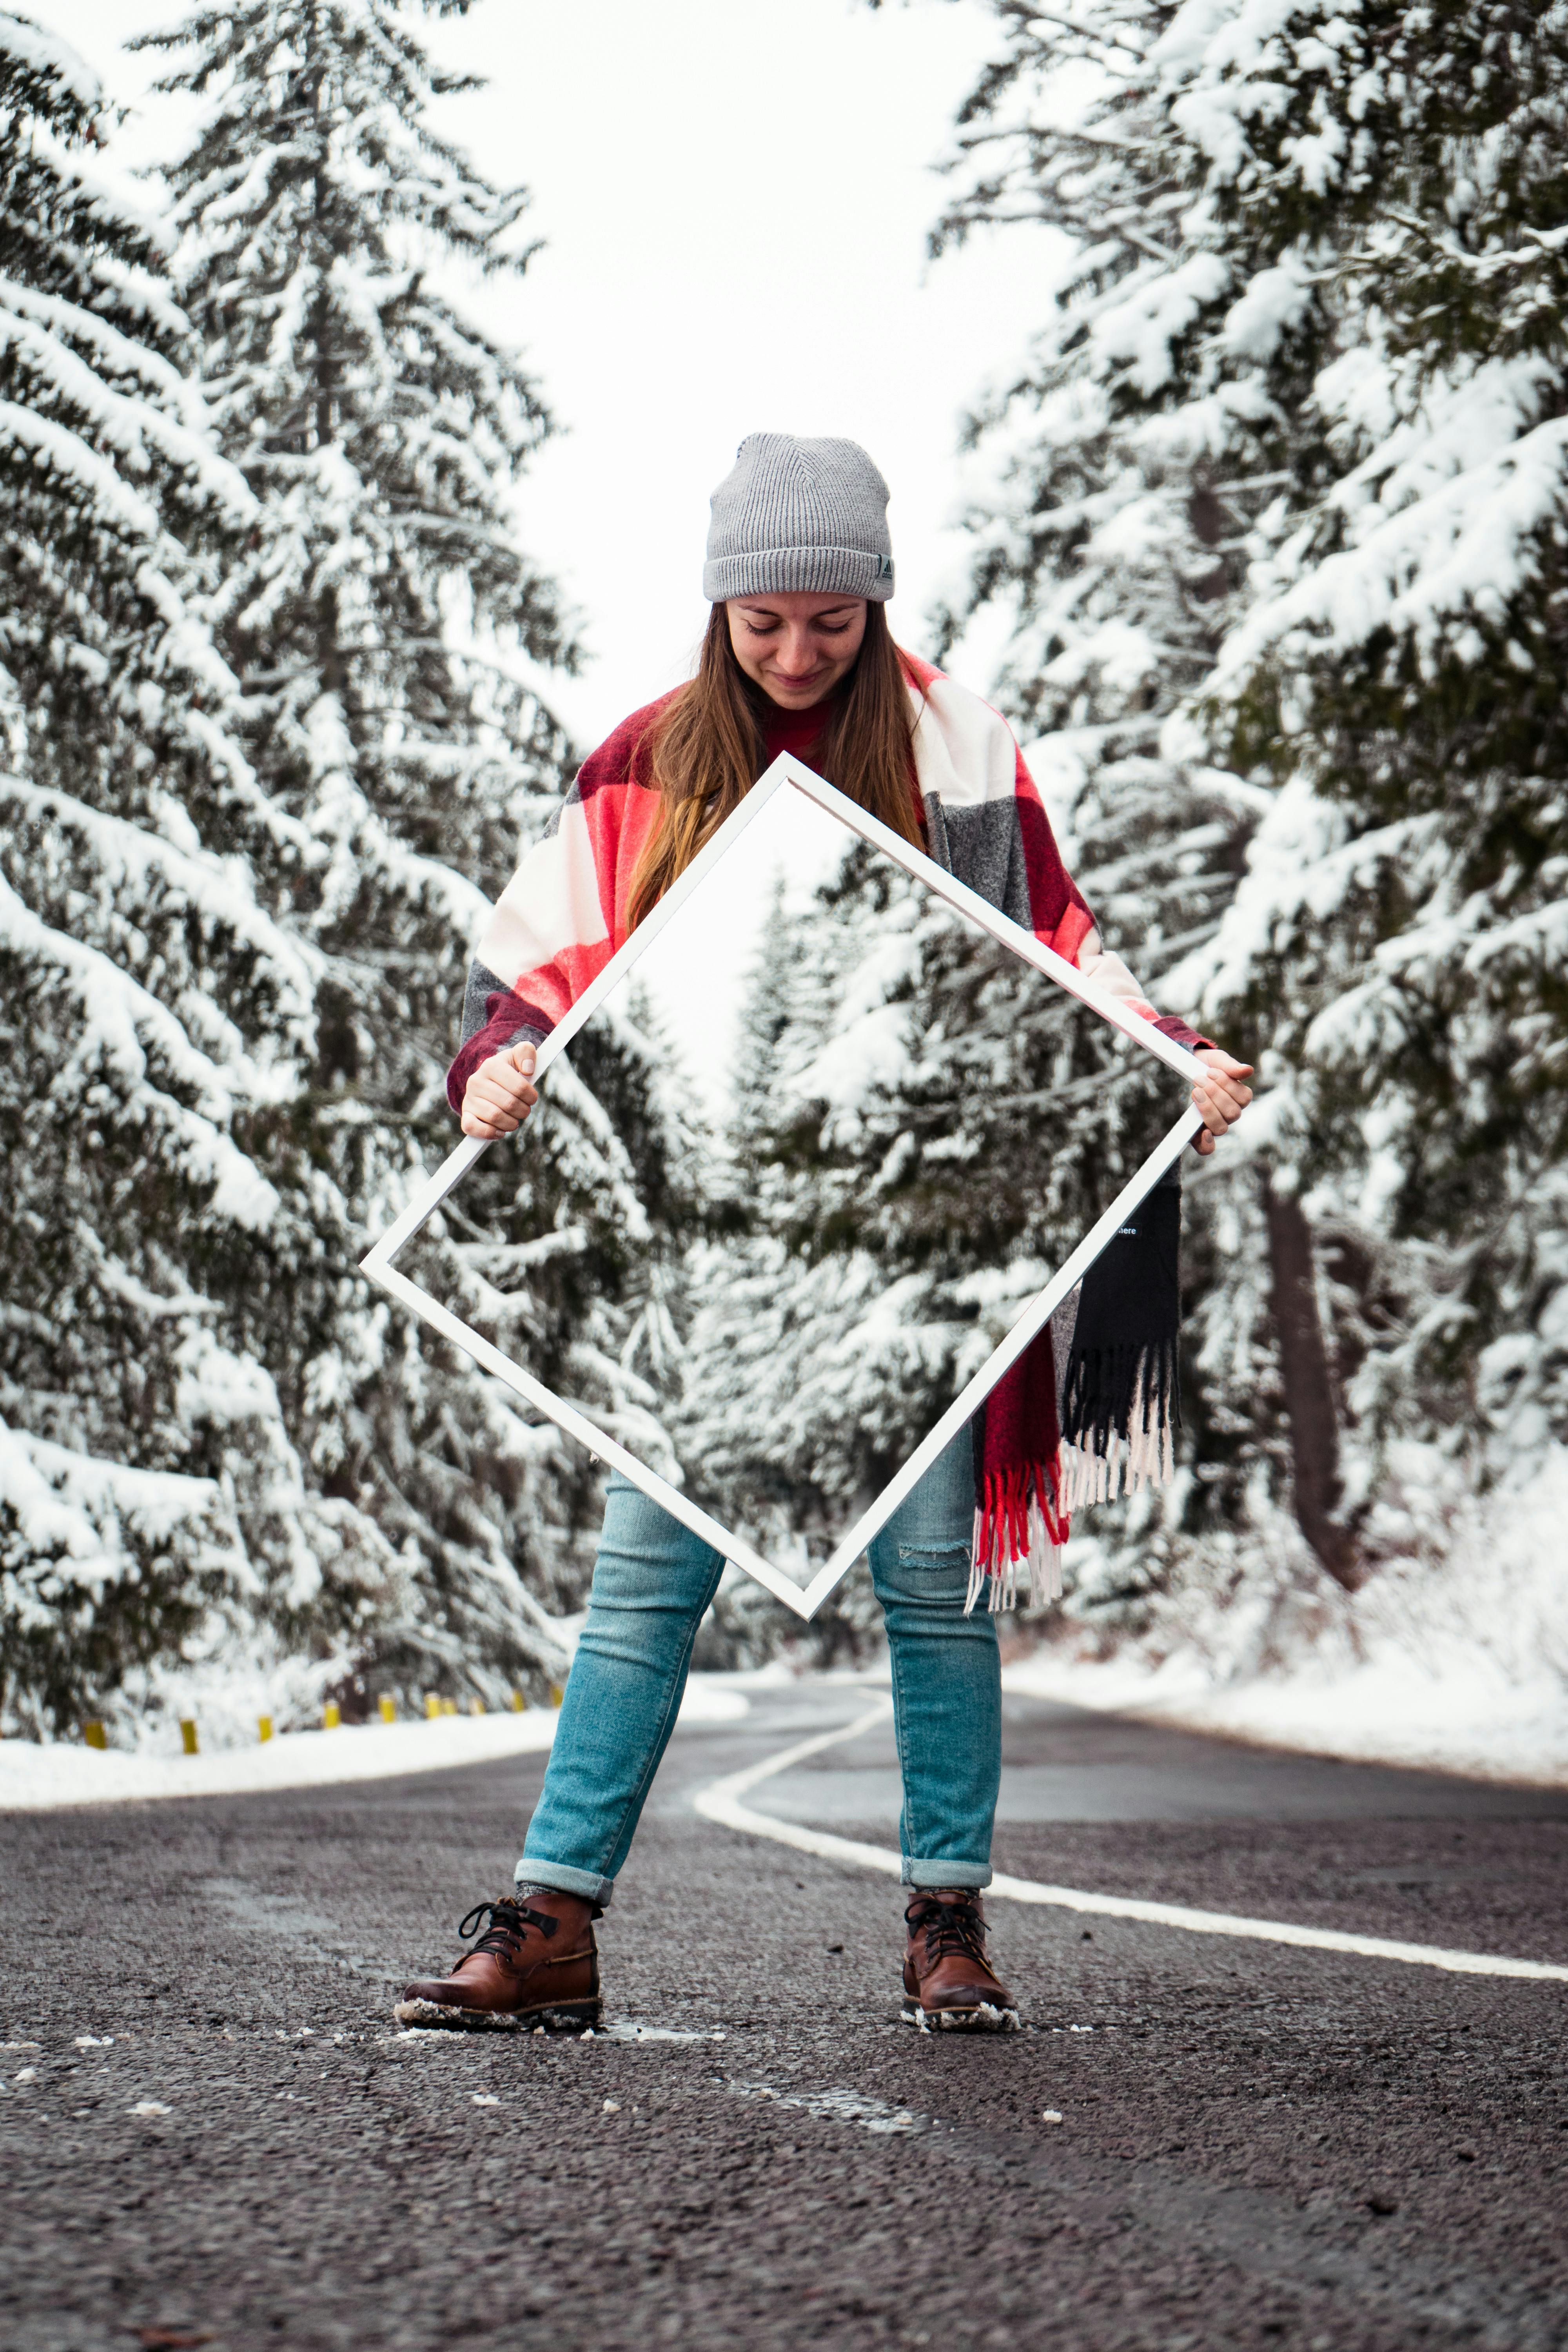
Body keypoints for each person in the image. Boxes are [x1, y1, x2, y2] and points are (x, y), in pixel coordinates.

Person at [397, 434, 1252, 2036]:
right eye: (766, 624)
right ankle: (554, 1921)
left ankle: (946, 1921)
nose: (797, 654)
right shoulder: (647, 756)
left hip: (917, 1237)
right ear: (720, 610)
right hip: (709, 1236)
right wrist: (501, 1061)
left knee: (934, 1573)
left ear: (875, 609)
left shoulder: (957, 750)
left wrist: (1166, 1055)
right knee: (645, 1574)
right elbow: (539, 954)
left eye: (831, 625)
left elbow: (1055, 954)